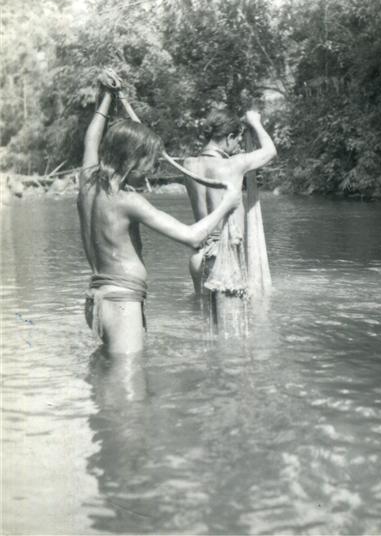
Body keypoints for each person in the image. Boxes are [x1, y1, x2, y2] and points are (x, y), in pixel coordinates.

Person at [78, 70, 241, 354]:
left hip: (96, 299)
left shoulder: (87, 181)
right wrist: (228, 203)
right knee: (129, 379)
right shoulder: (128, 200)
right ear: (131, 158)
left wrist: (107, 97)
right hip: (122, 304)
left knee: (109, 375)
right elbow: (193, 237)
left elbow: (91, 138)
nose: (152, 170)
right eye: (149, 162)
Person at [183, 108, 277, 296]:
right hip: (223, 254)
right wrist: (255, 122)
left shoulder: (188, 164)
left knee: (203, 312)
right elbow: (270, 151)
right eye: (237, 140)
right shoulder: (234, 164)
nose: (237, 146)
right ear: (229, 137)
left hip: (198, 253)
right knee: (234, 313)